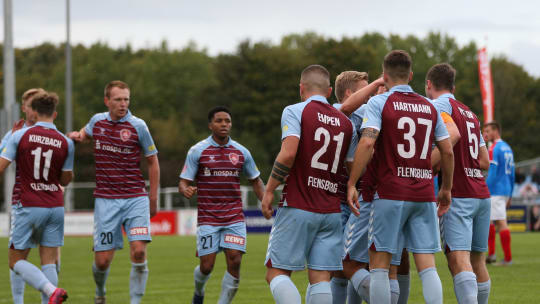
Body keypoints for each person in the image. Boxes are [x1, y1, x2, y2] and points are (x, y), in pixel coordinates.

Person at [347, 50, 454, 304]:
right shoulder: (429, 106)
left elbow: (366, 143)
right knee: (427, 266)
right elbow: (447, 150)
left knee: (380, 265)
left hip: (390, 193)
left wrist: (352, 182)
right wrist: (446, 189)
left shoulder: (379, 102)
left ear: (384, 76)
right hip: (424, 193)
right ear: (412, 75)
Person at [262, 64, 358, 304]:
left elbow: (288, 153)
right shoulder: (346, 123)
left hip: (299, 203)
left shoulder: (295, 111)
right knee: (321, 278)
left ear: (301, 88)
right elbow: (351, 167)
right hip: (331, 211)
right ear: (328, 91)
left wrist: (269, 190)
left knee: (276, 272)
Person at [68, 80, 160, 304]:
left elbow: (153, 162)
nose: (123, 104)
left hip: (135, 198)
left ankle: (135, 301)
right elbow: (86, 133)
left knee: (138, 252)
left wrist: (153, 197)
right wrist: (78, 136)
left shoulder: (138, 126)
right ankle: (100, 293)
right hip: (106, 200)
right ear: (107, 101)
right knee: (102, 262)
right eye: (118, 99)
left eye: (126, 99)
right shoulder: (97, 121)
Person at [179, 106, 265, 304]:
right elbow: (183, 181)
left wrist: (266, 201)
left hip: (234, 216)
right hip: (208, 217)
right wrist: (185, 189)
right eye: (219, 121)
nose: (224, 124)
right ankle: (198, 293)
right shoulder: (197, 151)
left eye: (227, 121)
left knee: (235, 260)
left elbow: (256, 180)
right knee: (207, 266)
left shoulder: (242, 152)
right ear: (210, 125)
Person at [0, 91, 74, 304]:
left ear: (34, 111)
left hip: (28, 204)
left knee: (15, 261)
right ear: (55, 114)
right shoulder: (65, 142)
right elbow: (66, 179)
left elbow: (2, 167)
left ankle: (52, 291)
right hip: (55, 206)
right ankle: (51, 295)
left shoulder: (19, 135)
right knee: (49, 262)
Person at [427, 63, 492, 304]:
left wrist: (425, 165)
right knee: (478, 262)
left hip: (460, 194)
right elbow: (485, 161)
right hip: (481, 194)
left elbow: (449, 142)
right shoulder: (471, 113)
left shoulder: (438, 106)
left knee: (458, 259)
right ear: (453, 87)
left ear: (429, 85)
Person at [331, 71, 369, 304]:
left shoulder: (365, 114)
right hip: (338, 199)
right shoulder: (336, 113)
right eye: (364, 90)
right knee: (340, 264)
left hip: (360, 197)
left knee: (353, 262)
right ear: (349, 94)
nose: (369, 96)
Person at [483, 121, 515, 265]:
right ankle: (492, 254)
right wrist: (511, 193)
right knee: (490, 221)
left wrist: (485, 188)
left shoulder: (494, 148)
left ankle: (507, 259)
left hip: (496, 189)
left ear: (496, 131)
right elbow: (512, 173)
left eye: (488, 131)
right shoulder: (507, 147)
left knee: (501, 222)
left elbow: (493, 172)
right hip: (506, 188)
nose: (486, 134)